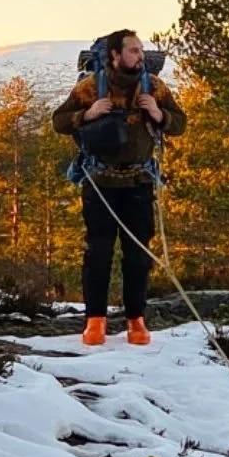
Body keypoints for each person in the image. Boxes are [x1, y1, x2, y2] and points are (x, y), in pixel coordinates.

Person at [51, 29, 187, 346]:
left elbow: (180, 124)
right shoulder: (90, 88)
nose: (140, 55)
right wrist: (87, 113)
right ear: (114, 55)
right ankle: (94, 322)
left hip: (139, 183)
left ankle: (135, 321)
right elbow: (59, 121)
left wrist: (158, 112)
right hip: (99, 184)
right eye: (133, 51)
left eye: (140, 50)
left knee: (138, 256)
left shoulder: (153, 87)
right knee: (98, 253)